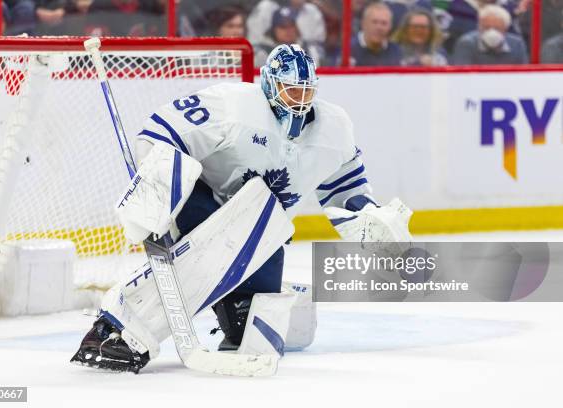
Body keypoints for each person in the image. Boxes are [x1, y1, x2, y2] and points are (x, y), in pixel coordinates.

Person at [71, 44, 412, 373]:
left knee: (255, 334)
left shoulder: (334, 130)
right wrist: (156, 185)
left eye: (306, 92)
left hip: (263, 227)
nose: (299, 100)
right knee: (206, 261)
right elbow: (162, 129)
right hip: (202, 201)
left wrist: (370, 221)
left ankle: (236, 311)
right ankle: (113, 331)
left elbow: (346, 189)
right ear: (269, 84)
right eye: (291, 90)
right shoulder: (233, 106)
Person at [452, 4, 528, 65]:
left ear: (505, 29)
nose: (492, 32)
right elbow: (462, 76)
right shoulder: (466, 43)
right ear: (479, 27)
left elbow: (523, 75)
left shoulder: (517, 44)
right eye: (486, 28)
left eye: (497, 28)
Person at [254, 6, 324, 66]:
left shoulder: (309, 51)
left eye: (291, 26)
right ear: (273, 30)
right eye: (283, 27)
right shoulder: (262, 53)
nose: (288, 30)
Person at [351, 1, 402, 66]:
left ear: (390, 27)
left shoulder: (396, 51)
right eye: (374, 22)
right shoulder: (349, 49)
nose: (379, 27)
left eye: (384, 23)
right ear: (363, 24)